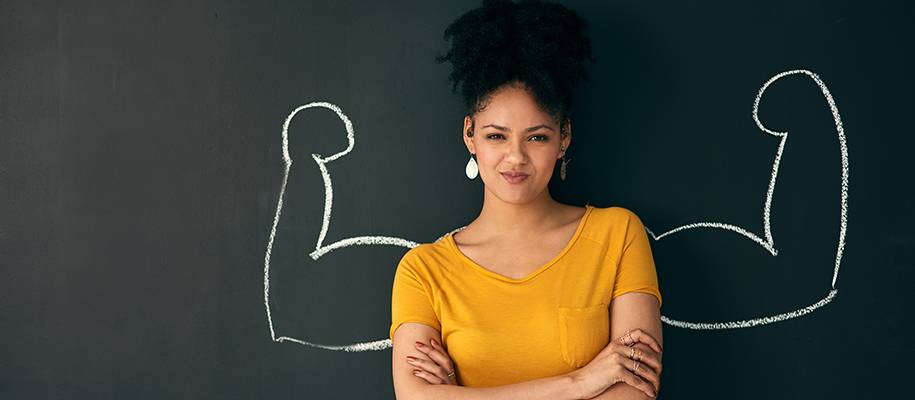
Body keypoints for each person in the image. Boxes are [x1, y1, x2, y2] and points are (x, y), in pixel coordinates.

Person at [389, 1, 663, 399]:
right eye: (496, 136)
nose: (515, 157)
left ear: (563, 137)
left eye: (537, 137)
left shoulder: (617, 234)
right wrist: (580, 382)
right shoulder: (423, 271)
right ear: (470, 136)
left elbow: (633, 393)